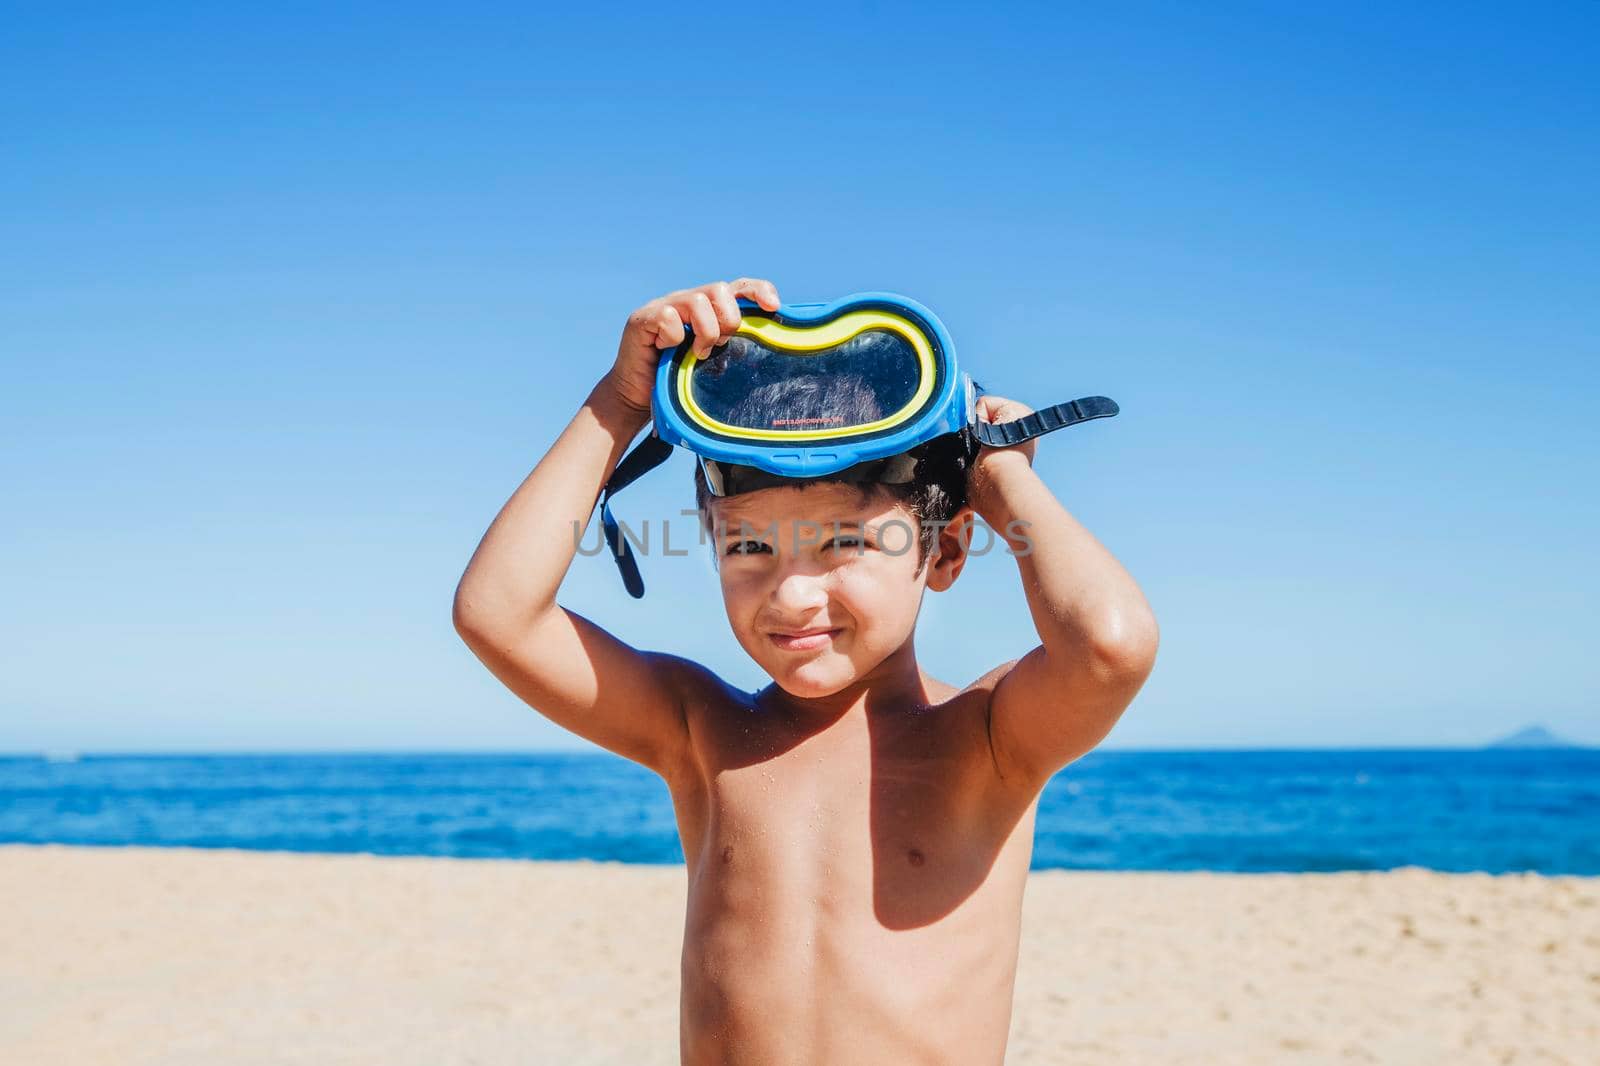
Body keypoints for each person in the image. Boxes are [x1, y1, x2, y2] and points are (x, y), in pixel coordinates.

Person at [452, 277, 1159, 1064]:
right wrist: (617, 405)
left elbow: (1110, 645)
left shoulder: (986, 742)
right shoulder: (700, 731)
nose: (791, 593)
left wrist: (999, 474)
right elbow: (498, 613)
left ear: (948, 551)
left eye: (843, 544)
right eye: (748, 547)